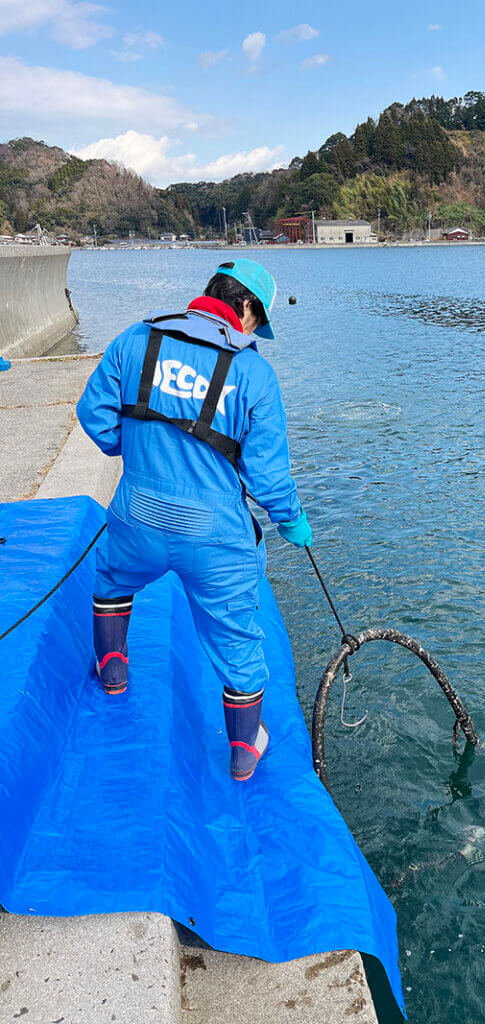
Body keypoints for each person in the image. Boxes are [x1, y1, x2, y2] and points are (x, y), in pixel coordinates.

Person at [77, 259, 311, 782]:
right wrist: (293, 522)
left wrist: (135, 456)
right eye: (257, 320)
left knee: (113, 580)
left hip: (137, 515)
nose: (253, 331)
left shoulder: (136, 339)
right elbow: (269, 476)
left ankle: (113, 672)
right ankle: (245, 748)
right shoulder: (253, 373)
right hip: (216, 538)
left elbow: (92, 413)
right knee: (238, 637)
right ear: (246, 307)